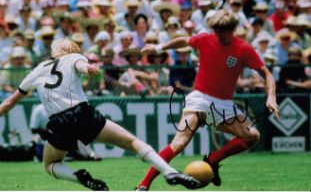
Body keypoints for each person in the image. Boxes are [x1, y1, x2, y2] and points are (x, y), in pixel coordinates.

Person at [0, 38, 200, 191]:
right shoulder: (74, 57)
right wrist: (87, 68)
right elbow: (81, 66)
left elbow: (9, 102)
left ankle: (79, 177)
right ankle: (170, 172)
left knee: (51, 164)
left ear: (57, 51)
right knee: (132, 143)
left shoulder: (38, 70)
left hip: (58, 121)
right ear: (71, 50)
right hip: (82, 113)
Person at [136, 9, 280, 190]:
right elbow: (183, 41)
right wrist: (157, 48)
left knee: (252, 136)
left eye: (222, 31)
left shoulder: (243, 48)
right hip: (199, 99)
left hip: (223, 104)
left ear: (231, 30)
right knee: (179, 143)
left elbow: (267, 74)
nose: (218, 35)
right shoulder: (205, 39)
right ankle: (143, 185)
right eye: (216, 31)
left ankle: (213, 159)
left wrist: (271, 96)